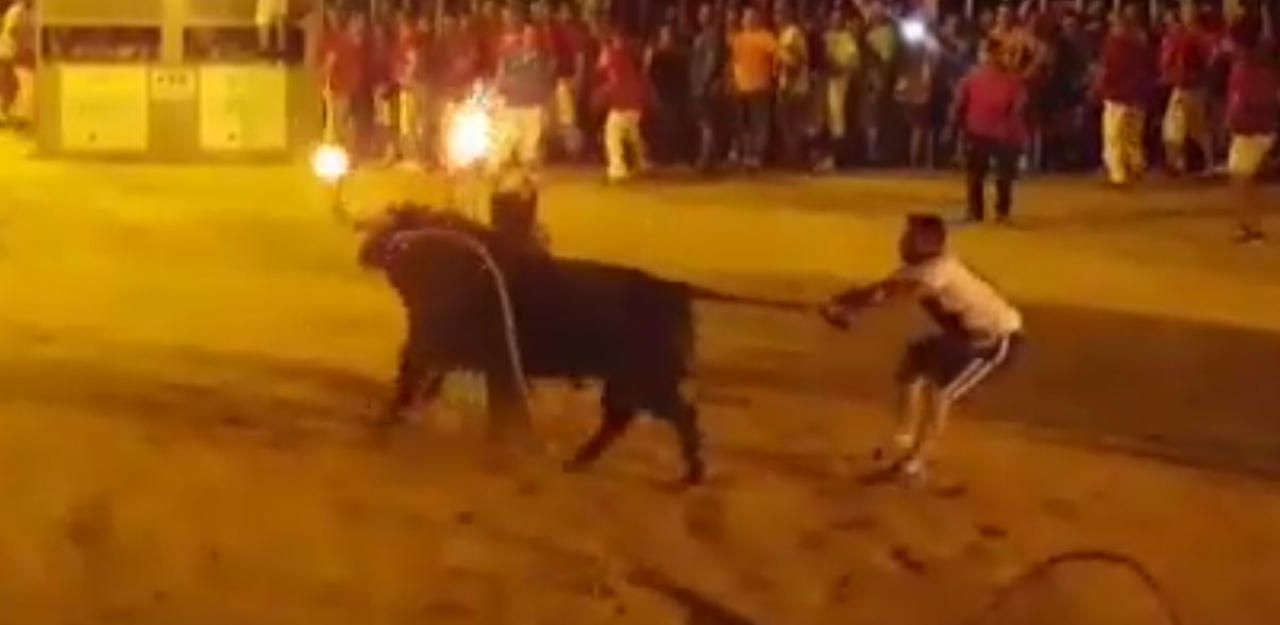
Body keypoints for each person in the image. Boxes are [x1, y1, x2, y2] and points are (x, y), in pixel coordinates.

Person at [821, 214, 1024, 482]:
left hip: (995, 340)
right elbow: (881, 290)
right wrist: (842, 302)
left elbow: (901, 293)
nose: (901, 242)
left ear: (923, 244)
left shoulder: (939, 270)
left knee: (941, 393)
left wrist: (850, 310)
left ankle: (915, 464)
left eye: (908, 238)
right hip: (965, 337)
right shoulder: (919, 268)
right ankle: (903, 438)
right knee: (913, 363)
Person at [951, 40, 1027, 224]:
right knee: (986, 175)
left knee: (992, 175)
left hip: (995, 132)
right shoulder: (977, 78)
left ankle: (989, 211)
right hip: (988, 131)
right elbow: (1019, 106)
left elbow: (1019, 106)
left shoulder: (1007, 80)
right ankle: (990, 212)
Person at [1224, 24, 1277, 244]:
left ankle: (1251, 228)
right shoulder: (1260, 64)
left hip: (1252, 130)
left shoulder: (1249, 67)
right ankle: (1249, 226)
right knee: (1244, 179)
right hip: (1258, 129)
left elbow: (1250, 100)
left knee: (1241, 180)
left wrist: (1235, 120)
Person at [1097, 6, 1153, 186]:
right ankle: (1136, 166)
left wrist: (1102, 88)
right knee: (1133, 137)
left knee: (1114, 136)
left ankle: (1118, 173)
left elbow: (1106, 70)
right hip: (1137, 96)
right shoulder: (1141, 42)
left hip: (1117, 96)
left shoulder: (1114, 43)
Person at [493, 24, 555, 175]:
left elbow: (547, 86)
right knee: (503, 147)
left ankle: (528, 182)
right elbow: (500, 78)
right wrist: (499, 93)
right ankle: (498, 180)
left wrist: (546, 110)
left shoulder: (544, 60)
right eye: (527, 35)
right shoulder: (510, 57)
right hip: (511, 108)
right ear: (523, 37)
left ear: (538, 39)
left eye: (533, 35)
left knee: (530, 152)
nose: (530, 38)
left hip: (533, 109)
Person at [1160, 5, 1214, 175]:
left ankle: (1180, 163)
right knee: (1189, 128)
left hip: (1189, 88)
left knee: (1183, 128)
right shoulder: (1185, 39)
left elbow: (1189, 66)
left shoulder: (1189, 40)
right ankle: (1182, 163)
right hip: (1189, 87)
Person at [597, 29, 650, 182]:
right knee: (632, 135)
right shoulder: (629, 57)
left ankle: (617, 168)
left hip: (623, 105)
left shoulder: (615, 58)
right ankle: (642, 162)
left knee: (612, 134)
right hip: (635, 105)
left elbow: (611, 80)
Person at [729, 7, 778, 171]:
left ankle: (756, 157)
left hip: (760, 87)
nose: (748, 20)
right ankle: (747, 155)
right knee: (744, 125)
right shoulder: (738, 39)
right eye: (746, 17)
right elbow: (733, 62)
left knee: (759, 124)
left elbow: (778, 56)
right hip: (742, 87)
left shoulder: (765, 38)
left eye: (752, 17)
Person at [689, 3, 728, 172]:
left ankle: (705, 160)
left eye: (705, 13)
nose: (701, 16)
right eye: (701, 13)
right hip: (700, 84)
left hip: (704, 86)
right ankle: (710, 159)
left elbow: (711, 61)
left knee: (707, 124)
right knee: (706, 123)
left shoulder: (710, 35)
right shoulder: (704, 35)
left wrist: (705, 81)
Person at [819, 6, 860, 170]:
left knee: (837, 118)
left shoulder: (847, 38)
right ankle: (824, 158)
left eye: (838, 19)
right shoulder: (825, 37)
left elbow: (854, 62)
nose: (835, 21)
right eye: (833, 18)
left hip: (840, 83)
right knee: (825, 118)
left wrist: (840, 68)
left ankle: (836, 159)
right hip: (824, 82)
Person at [646, 22, 691, 164]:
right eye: (665, 34)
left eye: (669, 34)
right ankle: (663, 155)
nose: (667, 37)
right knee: (664, 125)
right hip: (661, 93)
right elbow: (648, 73)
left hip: (676, 94)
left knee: (673, 125)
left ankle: (672, 154)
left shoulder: (679, 54)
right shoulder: (655, 53)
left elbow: (684, 75)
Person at [775, 8, 812, 169]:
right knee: (790, 122)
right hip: (791, 85)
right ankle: (794, 156)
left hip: (794, 87)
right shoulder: (785, 33)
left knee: (792, 123)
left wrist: (787, 84)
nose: (776, 16)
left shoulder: (792, 33)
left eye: (779, 12)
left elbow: (796, 60)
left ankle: (795, 157)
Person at [0, 0, 33, 129]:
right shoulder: (18, 10)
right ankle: (5, 112)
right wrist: (21, 46)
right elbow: (12, 30)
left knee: (11, 84)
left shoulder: (20, 10)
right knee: (9, 83)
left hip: (8, 50)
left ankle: (6, 112)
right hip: (7, 51)